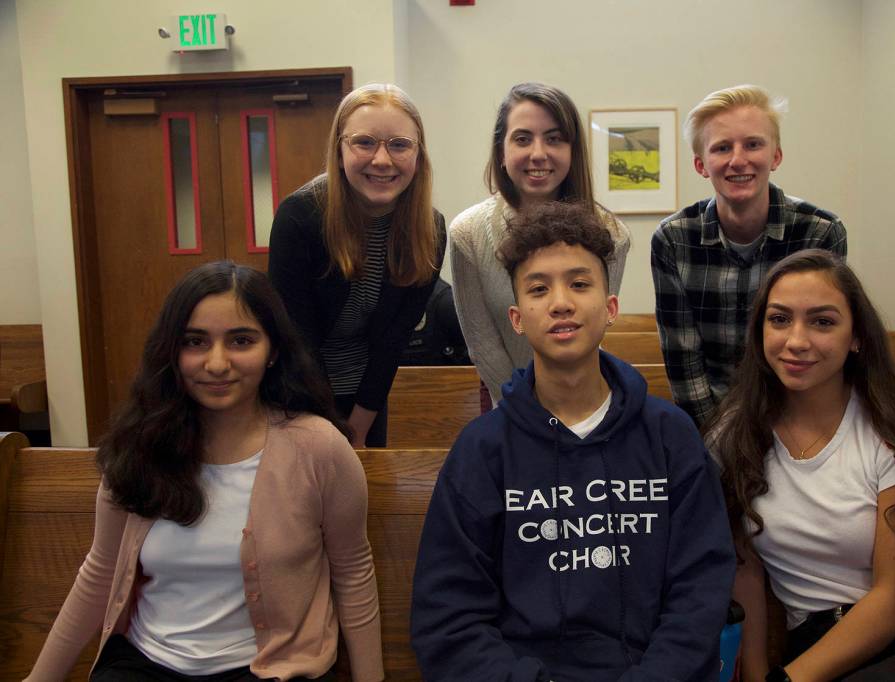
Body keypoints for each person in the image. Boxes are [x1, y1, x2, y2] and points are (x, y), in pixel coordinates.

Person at [411, 201, 734, 682]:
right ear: (518, 318)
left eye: (579, 284)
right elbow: (448, 618)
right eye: (539, 289)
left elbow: (700, 591)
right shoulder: (483, 450)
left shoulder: (670, 436)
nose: (560, 301)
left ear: (610, 308)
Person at [26, 261, 383, 681]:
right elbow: (100, 573)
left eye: (241, 341)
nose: (216, 363)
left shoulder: (318, 448)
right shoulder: (140, 446)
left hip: (270, 669)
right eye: (195, 342)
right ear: (172, 353)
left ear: (273, 352)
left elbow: (353, 571)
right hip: (144, 665)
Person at [707, 250, 895, 681]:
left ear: (856, 337)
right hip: (817, 648)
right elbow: (744, 569)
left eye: (822, 322)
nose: (796, 340)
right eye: (779, 319)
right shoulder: (733, 437)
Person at [652, 84, 847, 427]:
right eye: (722, 148)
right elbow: (684, 362)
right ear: (701, 164)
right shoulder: (674, 240)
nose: (738, 160)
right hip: (709, 424)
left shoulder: (821, 233)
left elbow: (819, 349)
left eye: (753, 144)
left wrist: (788, 436)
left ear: (776, 155)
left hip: (799, 417)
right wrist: (718, 443)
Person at [269, 82, 445, 447]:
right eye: (364, 142)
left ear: (419, 154)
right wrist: (329, 430)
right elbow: (298, 338)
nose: (382, 160)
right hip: (298, 395)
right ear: (339, 150)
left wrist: (359, 428)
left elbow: (393, 340)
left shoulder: (429, 228)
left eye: (399, 144)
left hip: (368, 397)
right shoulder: (300, 217)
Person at [450, 82, 631, 407]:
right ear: (501, 152)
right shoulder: (467, 233)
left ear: (572, 151)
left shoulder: (611, 234)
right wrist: (525, 411)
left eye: (554, 139)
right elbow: (483, 345)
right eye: (522, 139)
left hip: (584, 399)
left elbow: (590, 331)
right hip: (508, 406)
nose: (538, 153)